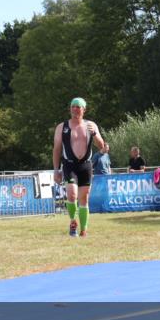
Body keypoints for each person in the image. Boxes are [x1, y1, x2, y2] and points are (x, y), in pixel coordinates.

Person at [52, 97, 108, 238]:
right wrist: (56, 170)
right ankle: (72, 222)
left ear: (84, 109)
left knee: (84, 198)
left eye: (78, 106)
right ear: (70, 109)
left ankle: (83, 229)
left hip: (85, 166)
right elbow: (57, 149)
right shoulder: (62, 127)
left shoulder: (91, 125)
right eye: (73, 106)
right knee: (72, 194)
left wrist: (94, 134)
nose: (75, 109)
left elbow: (102, 147)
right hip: (69, 164)